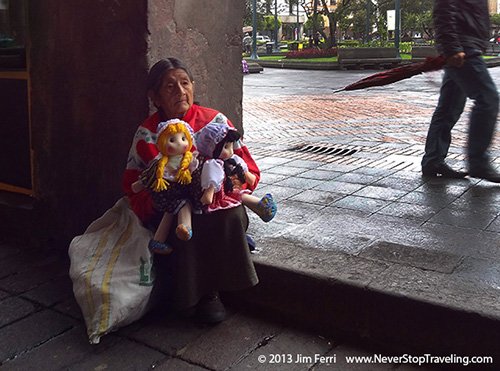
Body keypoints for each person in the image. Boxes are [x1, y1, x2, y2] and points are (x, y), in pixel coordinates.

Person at [123, 58, 260, 323]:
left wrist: (227, 185)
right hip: (170, 207)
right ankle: (185, 296)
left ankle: (210, 293)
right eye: (170, 87)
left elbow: (248, 168)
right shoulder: (147, 134)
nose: (181, 91)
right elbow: (132, 183)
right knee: (181, 221)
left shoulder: (216, 121)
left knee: (224, 216)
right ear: (155, 97)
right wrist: (160, 200)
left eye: (185, 83)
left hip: (216, 203)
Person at [421, 0, 500, 182]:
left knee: (449, 107)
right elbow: (444, 9)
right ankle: (478, 162)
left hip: (466, 47)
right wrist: (451, 48)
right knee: (487, 99)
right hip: (463, 48)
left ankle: (433, 160)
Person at [131, 119, 202, 255]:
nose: (180, 143)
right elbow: (149, 176)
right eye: (172, 140)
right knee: (184, 205)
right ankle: (185, 227)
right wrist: (138, 185)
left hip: (176, 194)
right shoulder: (159, 163)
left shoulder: (190, 160)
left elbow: (196, 174)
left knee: (170, 213)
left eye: (183, 138)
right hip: (168, 194)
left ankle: (158, 241)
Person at [195, 121, 277, 222]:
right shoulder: (213, 164)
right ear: (211, 148)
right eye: (225, 147)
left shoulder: (232, 159)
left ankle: (261, 207)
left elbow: (242, 168)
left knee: (240, 195)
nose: (230, 151)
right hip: (219, 195)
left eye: (230, 146)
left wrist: (247, 175)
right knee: (238, 198)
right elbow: (212, 180)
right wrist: (208, 195)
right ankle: (259, 208)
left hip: (230, 189)